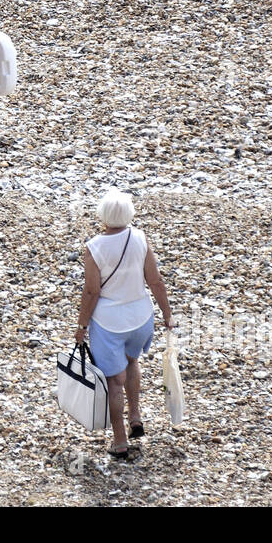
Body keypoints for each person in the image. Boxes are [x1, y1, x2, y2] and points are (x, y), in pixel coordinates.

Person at [74, 190, 175, 459]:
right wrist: (167, 314)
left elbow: (91, 292)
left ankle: (120, 440)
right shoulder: (140, 238)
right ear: (129, 213)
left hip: (109, 323)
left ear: (102, 215)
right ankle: (136, 417)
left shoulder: (94, 247)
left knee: (113, 381)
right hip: (141, 318)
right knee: (132, 362)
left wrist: (82, 326)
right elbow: (156, 281)